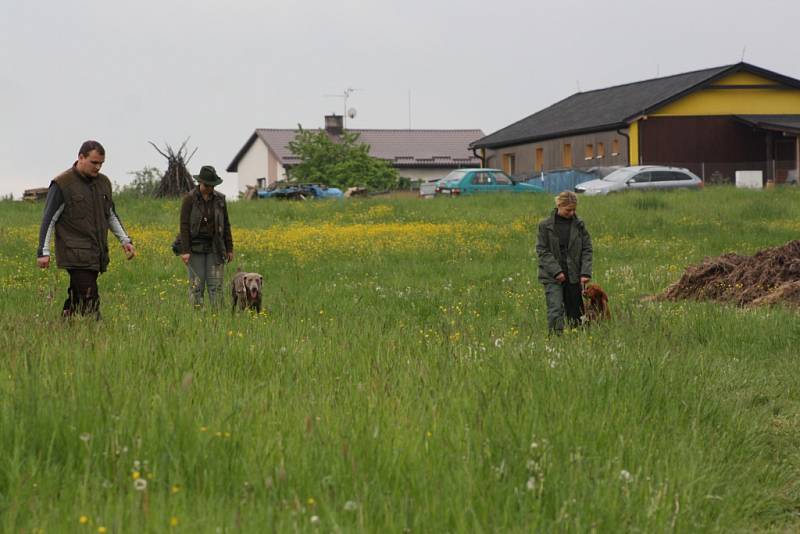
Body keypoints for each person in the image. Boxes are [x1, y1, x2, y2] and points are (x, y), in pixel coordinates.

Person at [36, 140, 136, 319]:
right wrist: (43, 252)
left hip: (95, 253)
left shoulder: (104, 183)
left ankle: (66, 324)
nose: (98, 167)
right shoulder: (62, 184)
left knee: (77, 296)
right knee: (90, 298)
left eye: (101, 163)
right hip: (74, 253)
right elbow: (49, 219)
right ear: (81, 157)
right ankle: (95, 335)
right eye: (94, 162)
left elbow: (111, 214)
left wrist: (125, 241)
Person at [535, 191, 593, 334]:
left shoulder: (579, 225)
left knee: (576, 311)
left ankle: (578, 337)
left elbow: (587, 249)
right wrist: (557, 271)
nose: (572, 213)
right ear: (559, 205)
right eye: (568, 210)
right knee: (555, 308)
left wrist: (585, 272)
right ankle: (556, 339)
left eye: (574, 209)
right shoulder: (545, 226)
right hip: (552, 276)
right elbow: (542, 250)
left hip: (574, 274)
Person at [179, 165, 234, 308]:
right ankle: (198, 319)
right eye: (207, 185)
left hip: (215, 248)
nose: (210, 188)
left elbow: (226, 224)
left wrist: (229, 248)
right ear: (200, 183)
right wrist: (185, 250)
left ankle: (218, 318)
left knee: (216, 286)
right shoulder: (189, 199)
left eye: (212, 186)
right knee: (196, 286)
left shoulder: (220, 199)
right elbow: (184, 225)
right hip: (195, 247)